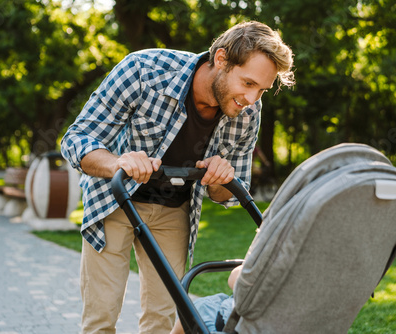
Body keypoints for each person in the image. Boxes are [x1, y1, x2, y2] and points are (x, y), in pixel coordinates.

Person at [61, 20, 295, 334]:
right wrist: (118, 162)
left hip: (174, 209)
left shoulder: (249, 111)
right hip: (114, 201)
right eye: (248, 83)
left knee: (162, 318)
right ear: (222, 59)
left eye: (261, 90)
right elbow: (77, 138)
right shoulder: (143, 71)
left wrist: (219, 179)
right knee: (101, 318)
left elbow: (228, 194)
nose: (251, 98)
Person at [170, 265, 243, 334]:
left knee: (199, 307)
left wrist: (247, 265)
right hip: (244, 321)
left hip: (229, 323)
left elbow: (234, 279)